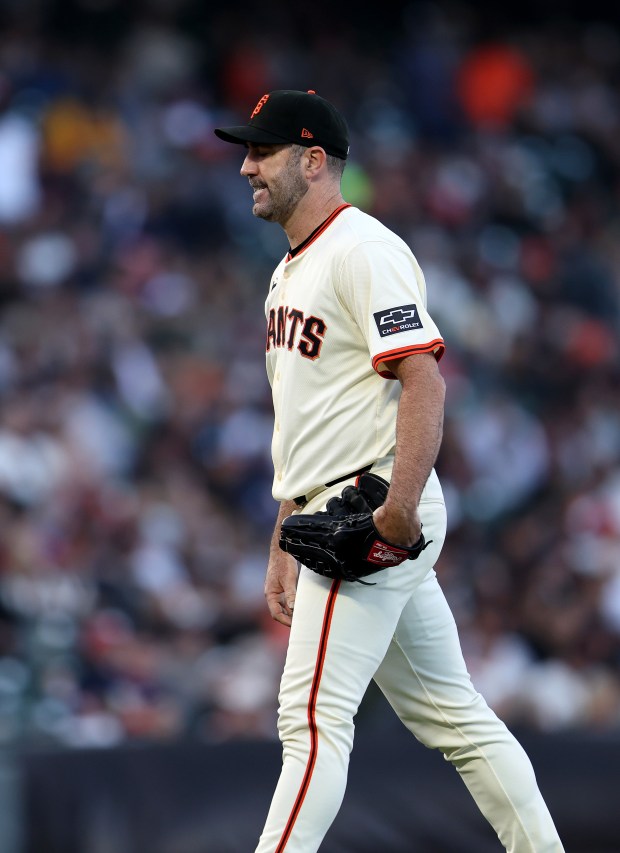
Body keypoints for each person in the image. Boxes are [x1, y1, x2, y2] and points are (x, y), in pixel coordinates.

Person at [214, 89, 564, 853]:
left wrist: (397, 507)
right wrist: (283, 526)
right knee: (455, 715)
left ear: (313, 160)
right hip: (330, 500)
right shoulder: (288, 270)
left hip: (370, 499)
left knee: (309, 718)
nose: (245, 166)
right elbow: (312, 418)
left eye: (262, 152)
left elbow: (424, 378)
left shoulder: (362, 247)